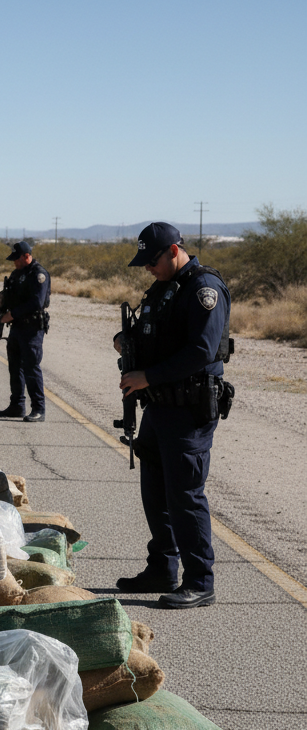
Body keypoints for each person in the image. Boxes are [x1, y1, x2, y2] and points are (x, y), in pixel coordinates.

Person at [114, 222, 232, 609]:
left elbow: (200, 350)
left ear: (174, 250)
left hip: (189, 408)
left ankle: (200, 580)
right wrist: (128, 345)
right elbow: (157, 338)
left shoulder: (203, 290)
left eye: (153, 260)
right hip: (159, 406)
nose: (148, 267)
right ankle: (162, 568)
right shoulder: (164, 288)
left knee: (185, 495)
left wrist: (146, 375)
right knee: (155, 492)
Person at [0, 241, 51, 421]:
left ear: (27, 256)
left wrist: (12, 314)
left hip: (32, 328)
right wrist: (4, 300)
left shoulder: (38, 274)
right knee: (14, 367)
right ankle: (17, 405)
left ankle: (38, 409)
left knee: (31, 368)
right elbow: (13, 296)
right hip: (17, 327)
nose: (14, 263)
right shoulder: (16, 274)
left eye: (17, 259)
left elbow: (37, 302)